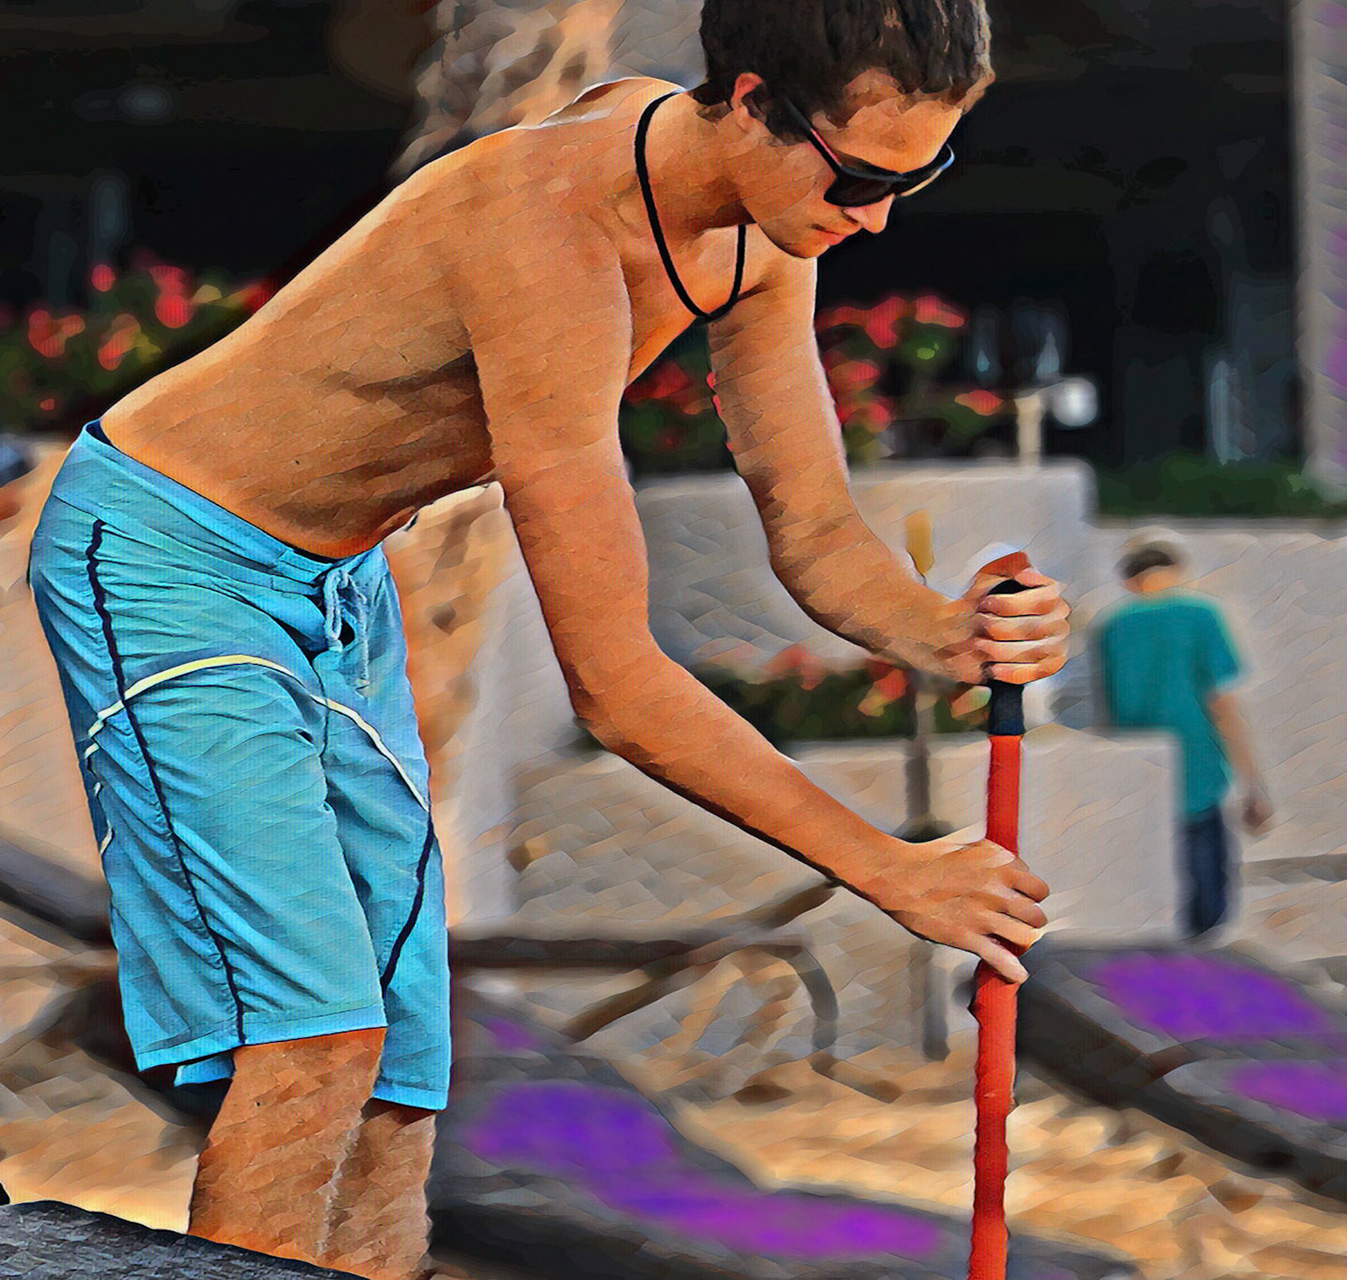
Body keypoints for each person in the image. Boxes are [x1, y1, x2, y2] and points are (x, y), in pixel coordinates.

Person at [25, 3, 1069, 1277]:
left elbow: (813, 530)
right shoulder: (550, 232)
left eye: (918, 177)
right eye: (859, 179)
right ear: (751, 101)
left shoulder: (762, 225)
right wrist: (886, 866)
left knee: (402, 1075)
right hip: (166, 552)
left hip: (336, 582)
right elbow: (616, 687)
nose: (880, 219)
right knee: (311, 1041)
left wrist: (948, 630)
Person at [1090, 529, 1271, 940]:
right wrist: (1254, 786)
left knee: (1151, 904)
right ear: (1177, 570)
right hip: (1197, 772)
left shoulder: (1110, 628)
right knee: (1208, 910)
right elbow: (1222, 705)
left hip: (1137, 778)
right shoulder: (1201, 615)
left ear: (1129, 580)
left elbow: (1106, 710)